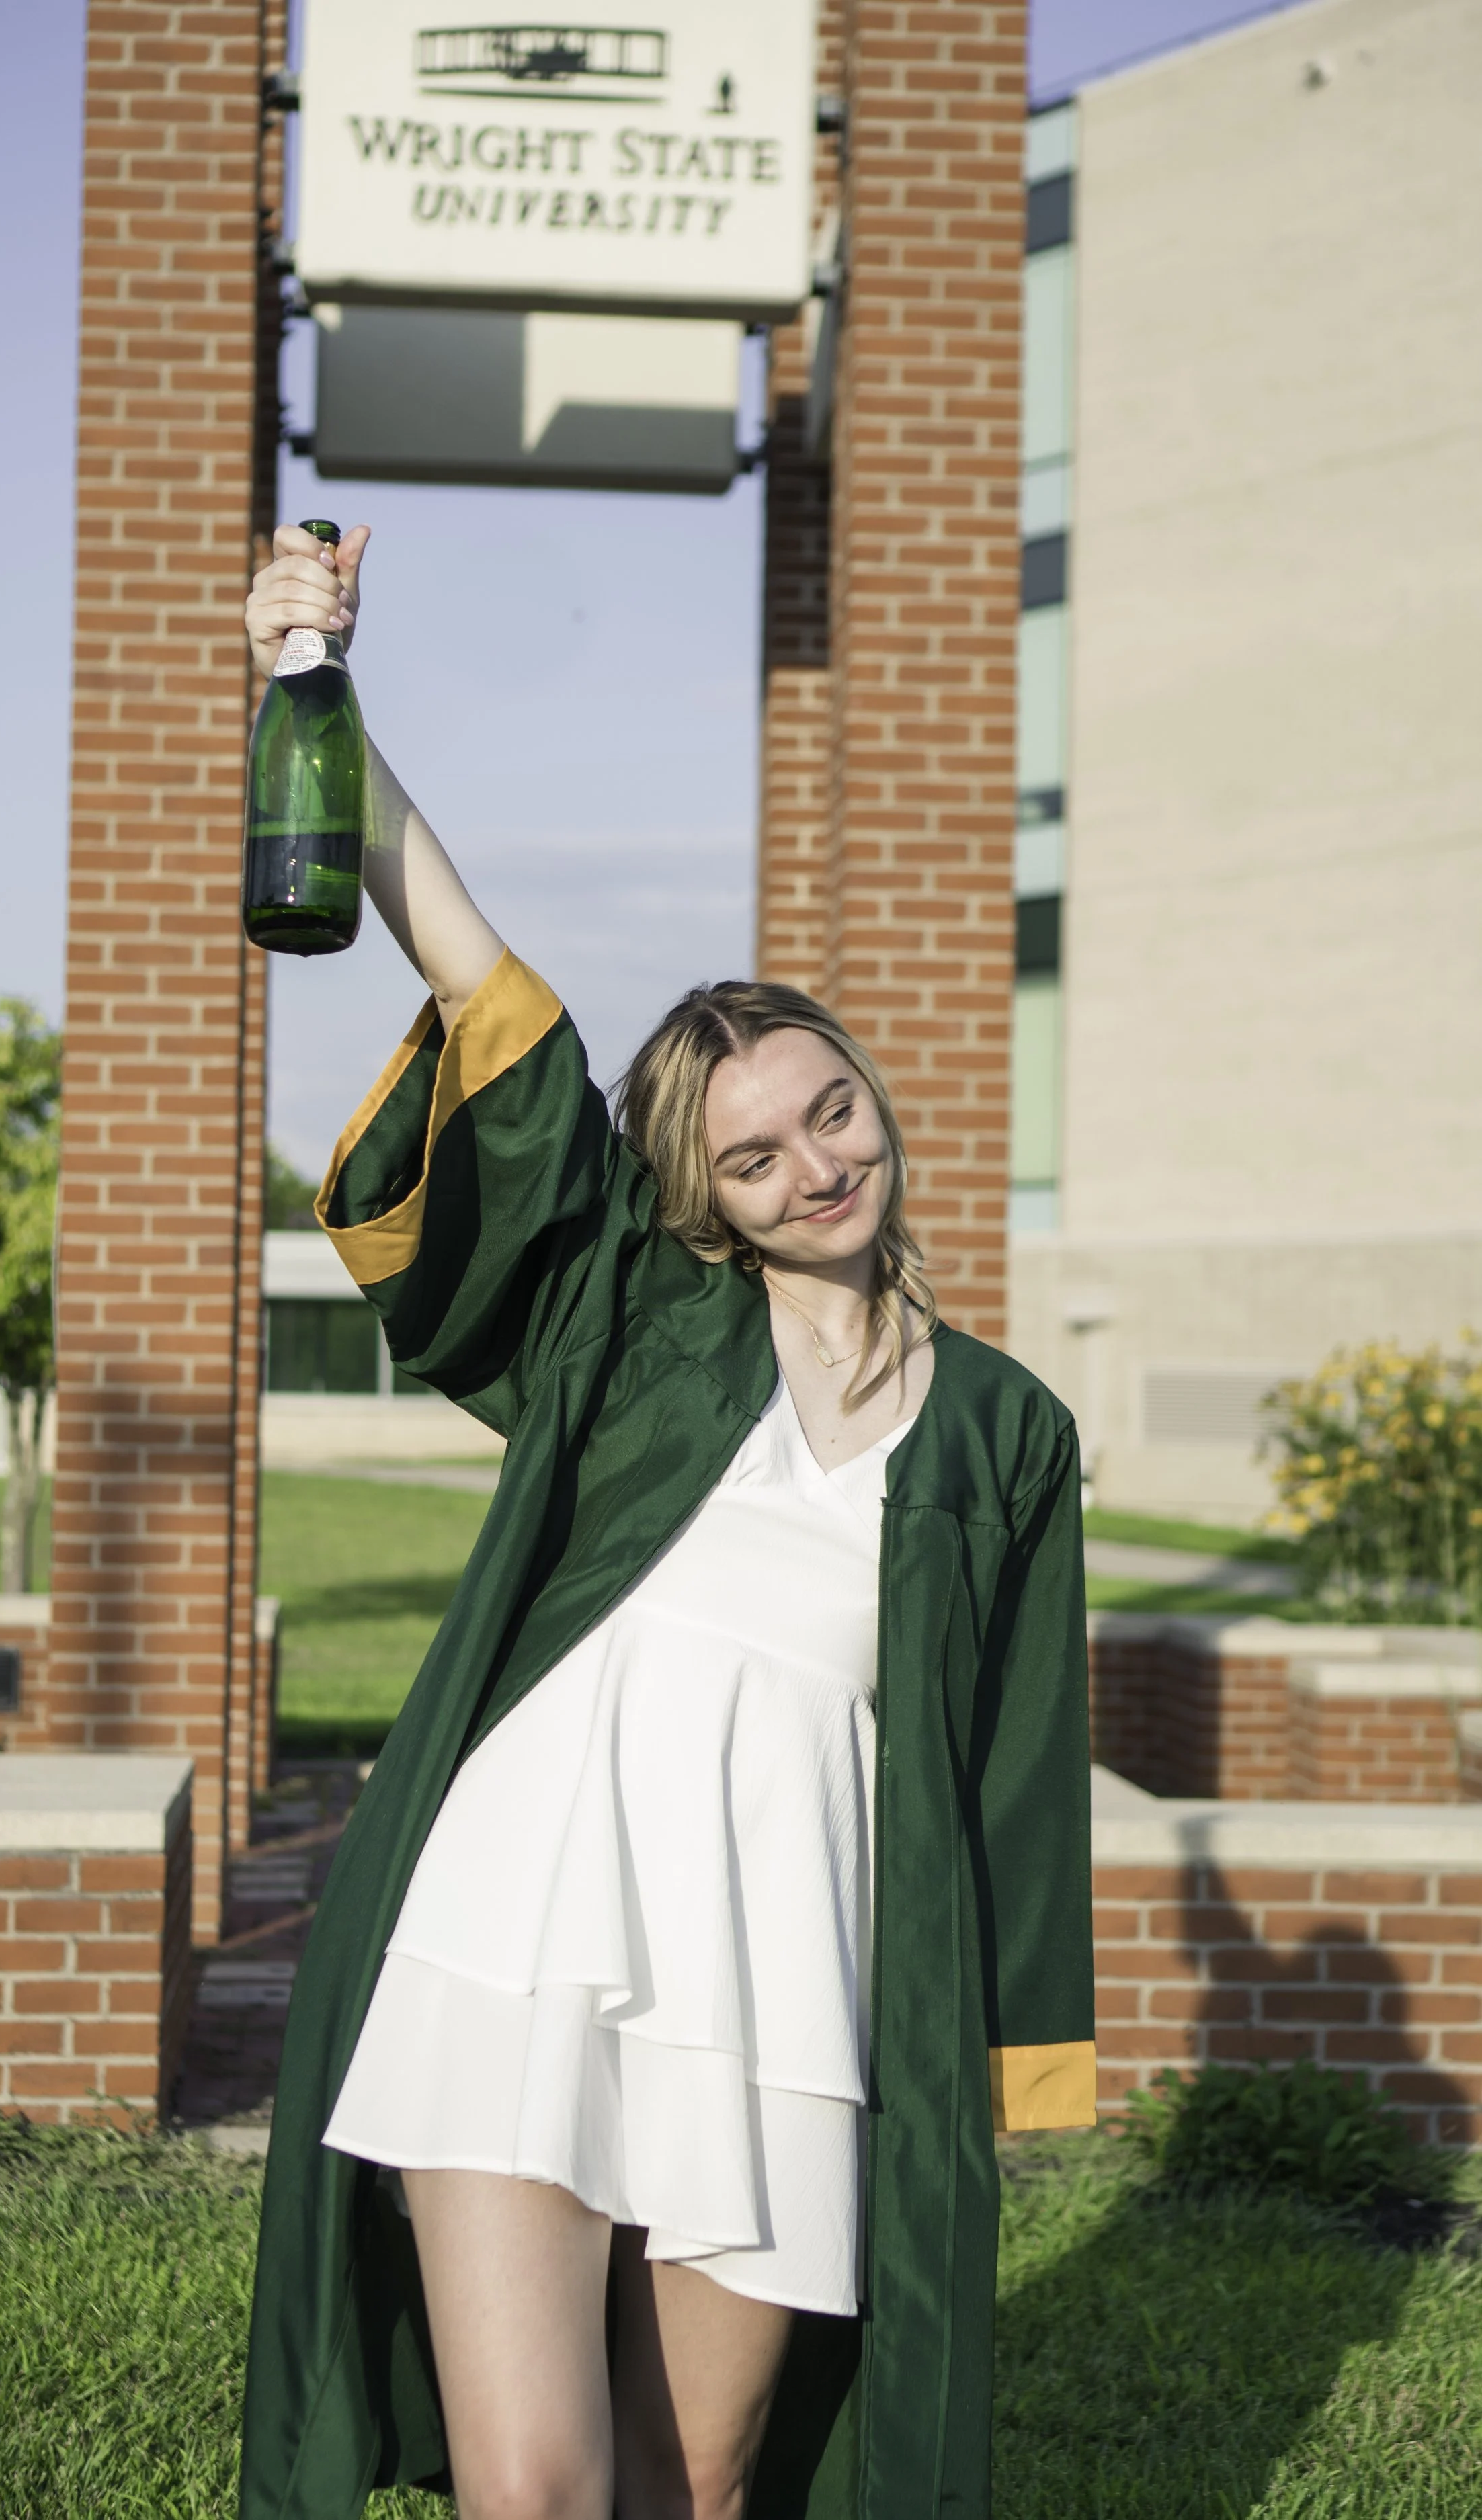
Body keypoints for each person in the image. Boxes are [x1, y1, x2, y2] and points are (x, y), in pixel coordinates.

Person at [238, 525, 1096, 2520]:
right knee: (536, 2489)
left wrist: (1015, 2057)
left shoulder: (1003, 1433)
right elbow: (467, 960)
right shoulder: (633, 1324)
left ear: (874, 1097)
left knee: (694, 2484)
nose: (815, 1163)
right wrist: (311, 679)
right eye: (753, 1150)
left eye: (833, 1111)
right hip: (528, 1920)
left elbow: (1013, 1768)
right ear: (694, 1194)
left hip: (786, 1960)